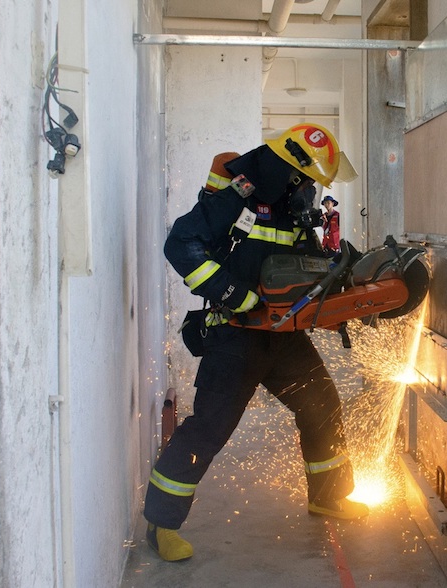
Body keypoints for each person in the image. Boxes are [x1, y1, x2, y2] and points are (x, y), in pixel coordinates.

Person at [143, 123, 367, 562]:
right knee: (208, 430)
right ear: (286, 167)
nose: (308, 189)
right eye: (305, 179)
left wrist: (342, 270)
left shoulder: (295, 203)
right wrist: (233, 294)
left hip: (284, 337)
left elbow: (303, 259)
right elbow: (181, 243)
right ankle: (161, 524)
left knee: (322, 405)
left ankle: (328, 496)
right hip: (235, 337)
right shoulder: (237, 195)